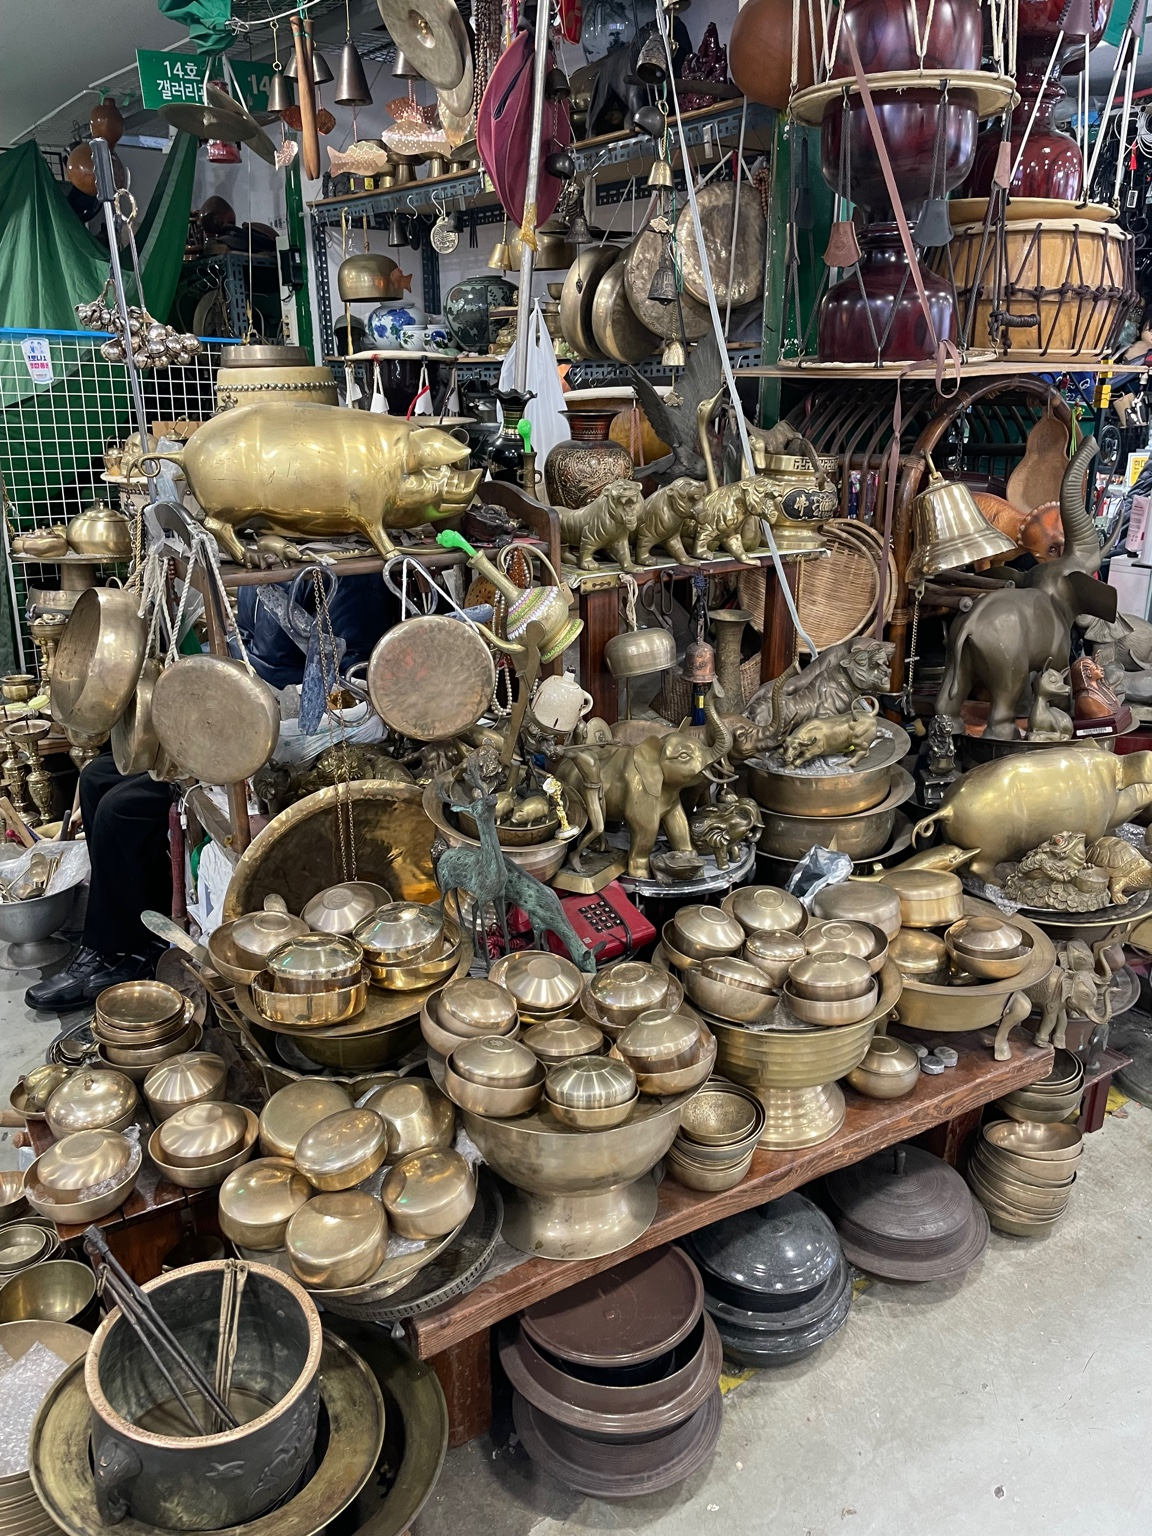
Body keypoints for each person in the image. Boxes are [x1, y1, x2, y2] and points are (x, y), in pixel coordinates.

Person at [25, 750, 173, 1011]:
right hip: (179, 753)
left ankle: (110, 945)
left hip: (208, 763)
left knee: (118, 808)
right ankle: (131, 930)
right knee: (94, 775)